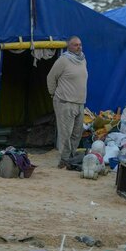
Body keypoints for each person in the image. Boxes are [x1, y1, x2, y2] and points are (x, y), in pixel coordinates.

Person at [47, 36, 88, 169]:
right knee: (66, 133)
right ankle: (64, 160)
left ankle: (71, 157)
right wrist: (53, 93)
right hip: (65, 102)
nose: (79, 47)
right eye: (75, 45)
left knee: (77, 132)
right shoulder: (63, 60)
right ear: (68, 46)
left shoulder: (82, 59)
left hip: (80, 102)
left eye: (80, 44)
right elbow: (51, 77)